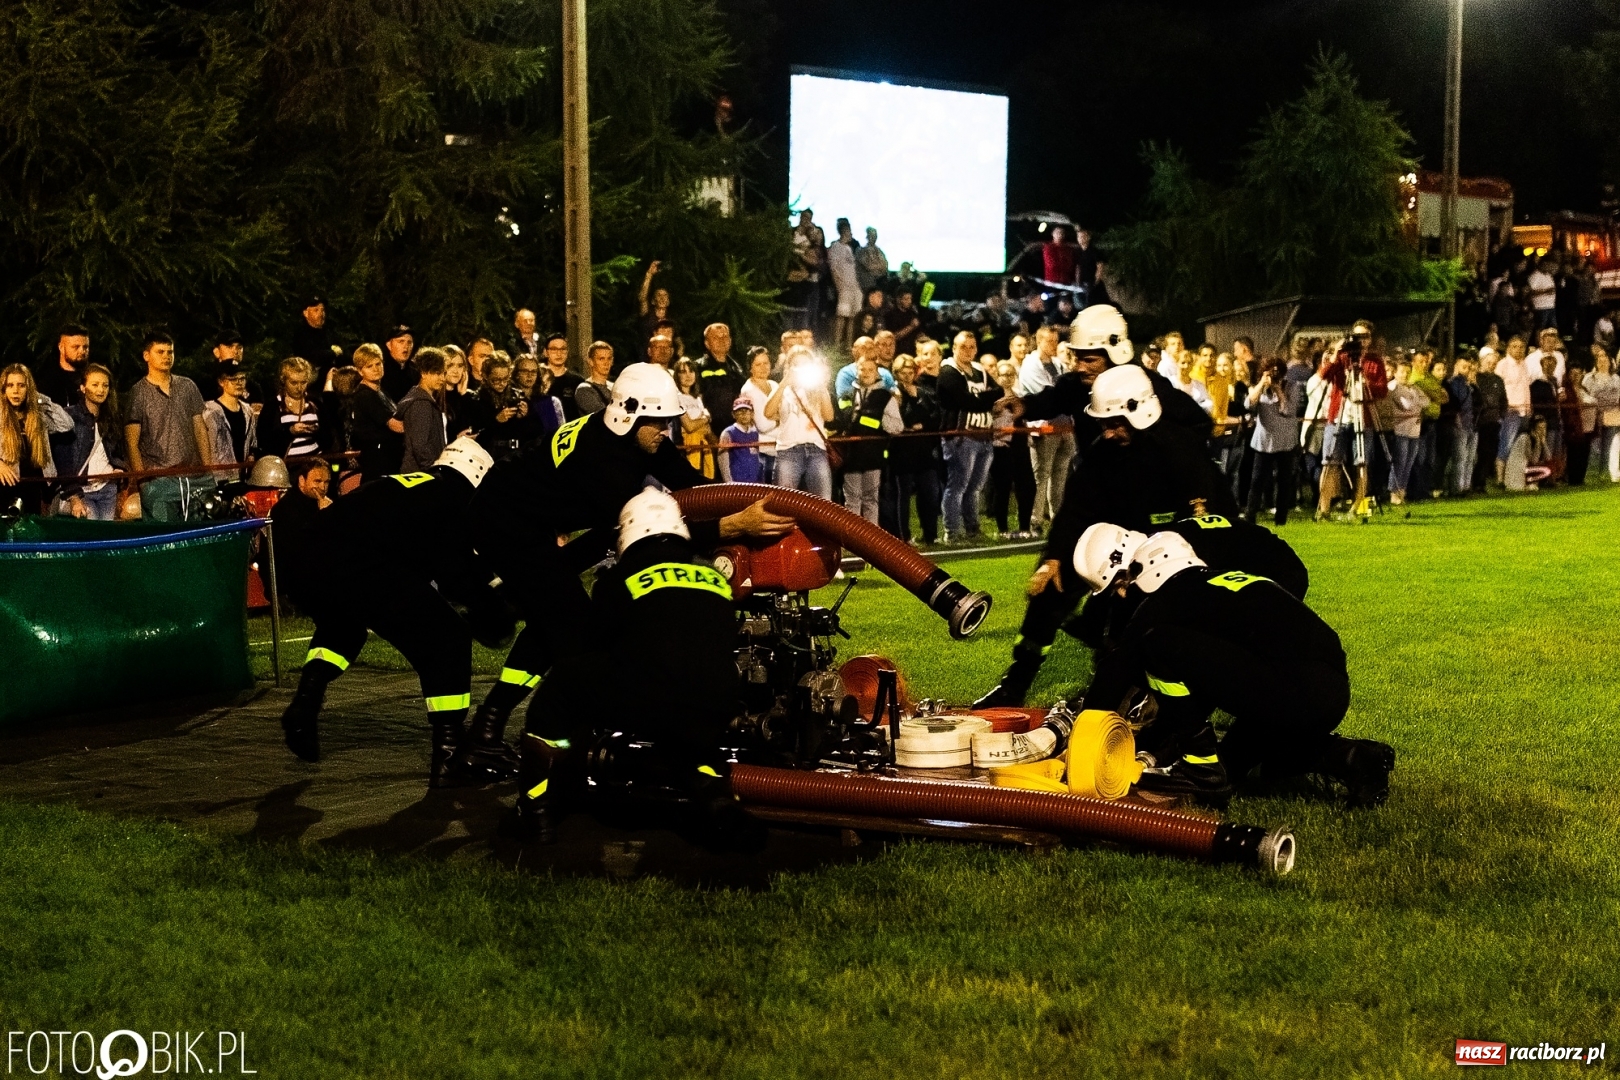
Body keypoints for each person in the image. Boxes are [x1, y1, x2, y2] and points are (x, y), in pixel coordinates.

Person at [462, 364, 796, 771]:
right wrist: (732, 525)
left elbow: (694, 488)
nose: (666, 431)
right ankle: (554, 743)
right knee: (574, 633)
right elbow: (649, 531)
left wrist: (753, 504)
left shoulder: (635, 438)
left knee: (555, 623)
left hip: (536, 523)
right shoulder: (605, 459)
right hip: (505, 523)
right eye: (659, 423)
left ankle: (489, 726)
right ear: (629, 413)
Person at [975, 339, 1236, 708]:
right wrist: (1053, 558)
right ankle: (1014, 685)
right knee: (1050, 594)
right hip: (1115, 535)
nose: (1108, 432)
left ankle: (1139, 697)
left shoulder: (1182, 453)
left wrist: (1147, 568)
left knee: (1134, 619)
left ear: (1140, 411)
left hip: (1173, 547)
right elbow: (1076, 508)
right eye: (1104, 424)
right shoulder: (1102, 452)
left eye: (1115, 424)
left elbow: (1209, 524)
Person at [1072, 530, 1391, 806]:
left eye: (1120, 585)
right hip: (1322, 687)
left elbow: (1115, 670)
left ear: (1140, 568)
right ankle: (1356, 758)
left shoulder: (1162, 604)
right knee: (1236, 766)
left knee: (1155, 645)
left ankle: (1200, 767)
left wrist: (1081, 736)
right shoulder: (1219, 584)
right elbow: (1215, 674)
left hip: (1295, 690)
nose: (1123, 595)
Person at [510, 488, 750, 843]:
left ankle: (537, 807)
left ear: (627, 534)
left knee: (563, 687)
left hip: (647, 693)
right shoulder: (714, 577)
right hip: (719, 700)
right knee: (688, 725)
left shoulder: (618, 580)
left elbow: (597, 641)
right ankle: (713, 792)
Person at [278, 438, 512, 786]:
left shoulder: (409, 483)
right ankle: (450, 753)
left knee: (344, 626)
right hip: (359, 562)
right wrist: (491, 606)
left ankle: (305, 703)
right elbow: (454, 573)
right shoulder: (453, 497)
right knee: (447, 638)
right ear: (477, 473)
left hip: (308, 557)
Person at [124, 332, 213, 522]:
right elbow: (132, 440)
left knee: (198, 533)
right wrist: (143, 482)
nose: (166, 356)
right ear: (146, 355)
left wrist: (208, 469)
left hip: (193, 476)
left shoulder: (187, 386)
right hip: (158, 480)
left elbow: (200, 429)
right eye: (160, 352)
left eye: (170, 352)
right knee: (164, 538)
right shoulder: (138, 392)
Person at [937, 331, 1001, 543]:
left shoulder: (980, 370)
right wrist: (983, 399)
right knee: (957, 486)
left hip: (983, 436)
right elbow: (965, 401)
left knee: (975, 488)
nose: (968, 351)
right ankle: (952, 532)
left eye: (972, 347)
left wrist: (979, 398)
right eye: (963, 347)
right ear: (954, 348)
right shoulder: (948, 372)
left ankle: (973, 529)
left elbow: (999, 390)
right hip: (960, 437)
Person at [836, 351, 900, 524]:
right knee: (852, 499)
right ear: (856, 371)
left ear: (877, 372)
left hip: (873, 454)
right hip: (851, 455)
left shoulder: (885, 396)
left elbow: (897, 427)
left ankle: (871, 541)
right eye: (861, 369)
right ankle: (853, 539)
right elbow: (841, 420)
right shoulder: (847, 395)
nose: (865, 373)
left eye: (869, 369)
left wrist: (876, 422)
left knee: (871, 498)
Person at [765, 346, 836, 500]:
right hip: (788, 450)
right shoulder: (782, 389)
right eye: (796, 364)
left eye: (805, 365)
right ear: (789, 367)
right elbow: (768, 413)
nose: (801, 369)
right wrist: (784, 382)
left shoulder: (817, 389)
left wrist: (822, 385)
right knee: (783, 502)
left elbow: (829, 416)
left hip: (816, 449)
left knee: (823, 502)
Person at [886, 354, 942, 545]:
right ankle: (903, 537)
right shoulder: (894, 394)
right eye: (903, 372)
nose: (908, 375)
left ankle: (930, 535)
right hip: (902, 451)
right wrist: (913, 423)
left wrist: (922, 424)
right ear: (896, 373)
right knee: (903, 496)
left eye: (911, 371)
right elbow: (902, 420)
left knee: (931, 493)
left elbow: (935, 417)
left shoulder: (924, 393)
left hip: (923, 451)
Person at [58, 364, 125, 520]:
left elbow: (118, 452)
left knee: (105, 537)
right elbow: (63, 460)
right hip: (81, 490)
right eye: (95, 385)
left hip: (107, 487)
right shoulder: (69, 417)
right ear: (83, 387)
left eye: (105, 385)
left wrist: (118, 468)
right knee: (91, 531)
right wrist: (73, 495)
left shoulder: (112, 417)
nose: (101, 390)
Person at [1, 364, 69, 517]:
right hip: (7, 488)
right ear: (4, 389)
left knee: (33, 536)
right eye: (10, 385)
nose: (16, 391)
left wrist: (40, 399)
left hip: (37, 490)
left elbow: (66, 424)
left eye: (21, 385)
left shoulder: (38, 416)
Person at [1244, 358, 1301, 525]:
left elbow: (1289, 410)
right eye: (1270, 372)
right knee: (1257, 481)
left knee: (1284, 481)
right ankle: (1249, 517)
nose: (1274, 375)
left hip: (1285, 442)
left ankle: (1281, 519)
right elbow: (1248, 404)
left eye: (1277, 372)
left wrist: (1279, 390)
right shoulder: (1260, 388)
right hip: (1264, 442)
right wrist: (1262, 383)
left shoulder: (1292, 386)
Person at [988, 359, 1035, 539]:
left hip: (1020, 445)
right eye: (1003, 374)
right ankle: (1003, 529)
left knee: (1027, 487)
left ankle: (1024, 527)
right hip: (1002, 447)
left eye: (1010, 374)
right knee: (1003, 488)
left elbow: (1024, 419)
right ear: (997, 376)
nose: (1007, 378)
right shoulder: (992, 397)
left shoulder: (1018, 397)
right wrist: (997, 407)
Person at [350, 343, 404, 482]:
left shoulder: (380, 391)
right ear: (360, 371)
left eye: (378, 364)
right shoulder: (365, 395)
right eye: (369, 366)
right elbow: (396, 426)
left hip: (387, 459)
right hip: (377, 462)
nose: (376, 369)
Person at [259, 356, 327, 461]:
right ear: (283, 380)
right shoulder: (272, 406)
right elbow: (264, 440)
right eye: (294, 383)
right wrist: (290, 432)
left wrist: (317, 430)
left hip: (315, 464)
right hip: (286, 466)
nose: (299, 388)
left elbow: (328, 437)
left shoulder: (315, 403)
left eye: (303, 382)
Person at [397, 347, 449, 471]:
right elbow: (420, 445)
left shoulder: (421, 399)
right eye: (437, 373)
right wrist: (434, 468)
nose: (442, 378)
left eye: (444, 373)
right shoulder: (421, 404)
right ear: (423, 372)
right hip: (419, 474)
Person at [1384, 360, 1428, 505]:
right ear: (1395, 372)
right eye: (1402, 371)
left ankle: (1402, 490)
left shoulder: (1413, 388)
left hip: (1414, 430)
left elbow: (1427, 401)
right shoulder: (1393, 387)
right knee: (1399, 462)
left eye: (1408, 372)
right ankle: (1393, 491)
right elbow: (1406, 406)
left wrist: (1416, 402)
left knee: (1409, 462)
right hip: (1400, 430)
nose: (1405, 375)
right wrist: (1417, 404)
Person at [202, 364, 259, 471]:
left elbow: (252, 442)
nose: (239, 383)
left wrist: (251, 456)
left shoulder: (248, 411)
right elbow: (208, 447)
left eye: (242, 379)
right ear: (221, 382)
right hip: (220, 475)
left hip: (243, 474)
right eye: (233, 379)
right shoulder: (211, 412)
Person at [736, 347, 778, 483]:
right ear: (750, 367)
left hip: (780, 448)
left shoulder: (774, 385)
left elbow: (787, 413)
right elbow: (763, 425)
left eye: (766, 363)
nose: (763, 367)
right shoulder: (749, 390)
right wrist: (779, 418)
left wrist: (774, 416)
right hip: (763, 452)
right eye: (758, 364)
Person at [474, 355, 527, 459]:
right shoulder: (477, 399)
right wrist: (496, 421)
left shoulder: (516, 396)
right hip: (488, 454)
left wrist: (524, 417)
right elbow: (476, 437)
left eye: (505, 378)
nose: (502, 383)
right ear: (485, 376)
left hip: (515, 453)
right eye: (496, 380)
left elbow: (529, 431)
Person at [32, 325, 90, 414]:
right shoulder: (47, 381)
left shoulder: (92, 378)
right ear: (61, 347)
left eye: (85, 347)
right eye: (76, 347)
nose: (82, 351)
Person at [672, 358, 714, 478]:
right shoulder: (677, 398)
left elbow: (706, 429)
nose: (688, 375)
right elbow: (689, 426)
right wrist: (706, 417)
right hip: (688, 447)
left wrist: (701, 423)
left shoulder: (697, 398)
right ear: (677, 375)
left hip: (703, 445)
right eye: (683, 372)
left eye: (691, 371)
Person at [1584, 344, 1620, 481]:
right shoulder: (1589, 378)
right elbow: (1584, 395)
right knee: (1595, 447)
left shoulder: (1616, 379)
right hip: (1594, 416)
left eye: (1604, 356)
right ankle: (1591, 475)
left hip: (1612, 416)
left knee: (1608, 447)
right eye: (1599, 356)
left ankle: (1604, 474)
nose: (1602, 359)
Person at [1472, 349, 1507, 492]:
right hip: (1481, 422)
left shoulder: (1498, 379)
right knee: (1481, 453)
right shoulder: (1477, 378)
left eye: (1494, 363)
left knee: (1490, 453)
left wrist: (1501, 415)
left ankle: (1481, 481)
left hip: (1494, 422)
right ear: (1482, 362)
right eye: (1489, 362)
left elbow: (1503, 399)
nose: (1491, 365)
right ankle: (1476, 482)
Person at [1446, 357, 1479, 495]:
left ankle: (1466, 485)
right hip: (1462, 423)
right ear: (1457, 366)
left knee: (1470, 458)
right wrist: (1457, 419)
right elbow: (1456, 403)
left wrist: (1474, 384)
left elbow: (1479, 402)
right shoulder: (1455, 383)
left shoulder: (1470, 384)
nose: (1467, 370)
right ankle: (1457, 488)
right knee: (1460, 457)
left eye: (1469, 367)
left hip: (1472, 423)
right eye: (1464, 367)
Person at [828, 218, 863, 348]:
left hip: (854, 286)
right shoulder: (836, 247)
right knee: (842, 316)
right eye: (849, 232)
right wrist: (839, 286)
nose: (851, 235)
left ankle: (849, 344)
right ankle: (837, 344)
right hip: (844, 287)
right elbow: (833, 268)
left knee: (853, 316)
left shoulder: (849, 248)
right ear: (844, 231)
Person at [538, 333, 584, 420]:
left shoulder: (578, 381)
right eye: (554, 349)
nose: (559, 353)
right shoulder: (537, 380)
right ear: (545, 352)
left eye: (563, 349)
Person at [718, 399, 762, 483]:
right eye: (739, 411)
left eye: (746, 411)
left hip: (754, 481)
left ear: (752, 414)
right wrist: (728, 482)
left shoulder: (755, 433)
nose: (743, 414)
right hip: (737, 480)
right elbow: (723, 459)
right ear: (733, 415)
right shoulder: (728, 433)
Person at [638, 262, 677, 348]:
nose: (662, 298)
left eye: (665, 295)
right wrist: (649, 275)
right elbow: (642, 298)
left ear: (669, 301)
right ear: (653, 301)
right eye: (659, 295)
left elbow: (677, 338)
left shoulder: (671, 319)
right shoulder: (647, 315)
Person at [441, 345, 475, 440]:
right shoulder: (435, 396)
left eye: (460, 366)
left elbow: (469, 426)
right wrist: (455, 438)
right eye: (450, 365)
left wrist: (463, 394)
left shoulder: (466, 396)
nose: (456, 371)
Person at [574, 342, 615, 415]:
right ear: (591, 361)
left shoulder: (615, 387)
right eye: (601, 359)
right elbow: (602, 415)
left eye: (609, 359)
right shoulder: (584, 390)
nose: (606, 363)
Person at [380, 324, 417, 400]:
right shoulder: (380, 370)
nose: (406, 346)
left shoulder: (416, 370)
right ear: (389, 345)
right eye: (401, 341)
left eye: (409, 342)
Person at [1527, 258, 1559, 332]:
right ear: (1541, 265)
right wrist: (1545, 291)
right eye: (1546, 265)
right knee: (1541, 329)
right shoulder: (1535, 276)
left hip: (1551, 306)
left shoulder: (1548, 275)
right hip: (1540, 307)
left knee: (1552, 329)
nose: (1548, 267)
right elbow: (1531, 292)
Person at [856, 227, 888, 293]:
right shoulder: (861, 250)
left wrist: (878, 267)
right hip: (867, 284)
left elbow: (885, 265)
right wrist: (879, 267)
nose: (873, 237)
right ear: (867, 236)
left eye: (875, 235)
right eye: (871, 235)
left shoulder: (879, 251)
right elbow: (868, 266)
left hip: (880, 283)